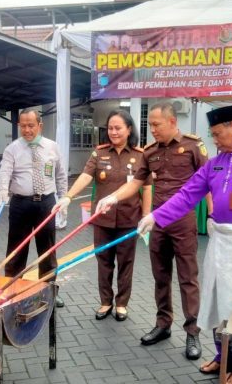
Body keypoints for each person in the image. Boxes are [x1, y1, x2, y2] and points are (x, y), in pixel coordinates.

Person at [136, 105, 232, 378]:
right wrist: (157, 217)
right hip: (220, 239)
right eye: (212, 135)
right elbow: (188, 193)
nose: (215, 140)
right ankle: (222, 356)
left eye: (218, 134)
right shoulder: (217, 161)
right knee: (217, 300)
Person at [95, 102, 209, 360]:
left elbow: (209, 180)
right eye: (150, 125)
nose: (152, 130)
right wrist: (113, 197)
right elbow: (136, 183)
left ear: (172, 122)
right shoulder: (149, 152)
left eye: (156, 125)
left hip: (183, 222)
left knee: (188, 278)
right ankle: (163, 324)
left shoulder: (192, 146)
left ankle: (192, 332)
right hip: (157, 223)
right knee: (161, 276)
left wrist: (212, 215)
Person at [53, 110, 152, 321]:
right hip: (103, 220)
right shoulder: (99, 153)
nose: (113, 132)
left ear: (129, 129)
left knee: (126, 263)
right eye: (110, 128)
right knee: (104, 262)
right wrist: (68, 197)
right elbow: (85, 177)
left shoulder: (140, 155)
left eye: (118, 128)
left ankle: (122, 304)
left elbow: (148, 188)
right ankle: (106, 302)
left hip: (129, 219)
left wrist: (146, 216)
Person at [0, 108, 67, 308]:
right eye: (23, 126)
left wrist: (63, 199)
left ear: (40, 125)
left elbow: (60, 175)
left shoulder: (52, 147)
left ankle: (50, 290)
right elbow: (4, 172)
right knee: (17, 250)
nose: (27, 130)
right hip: (21, 204)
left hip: (46, 203)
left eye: (31, 126)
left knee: (48, 250)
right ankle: (12, 290)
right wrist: (2, 189)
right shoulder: (13, 149)